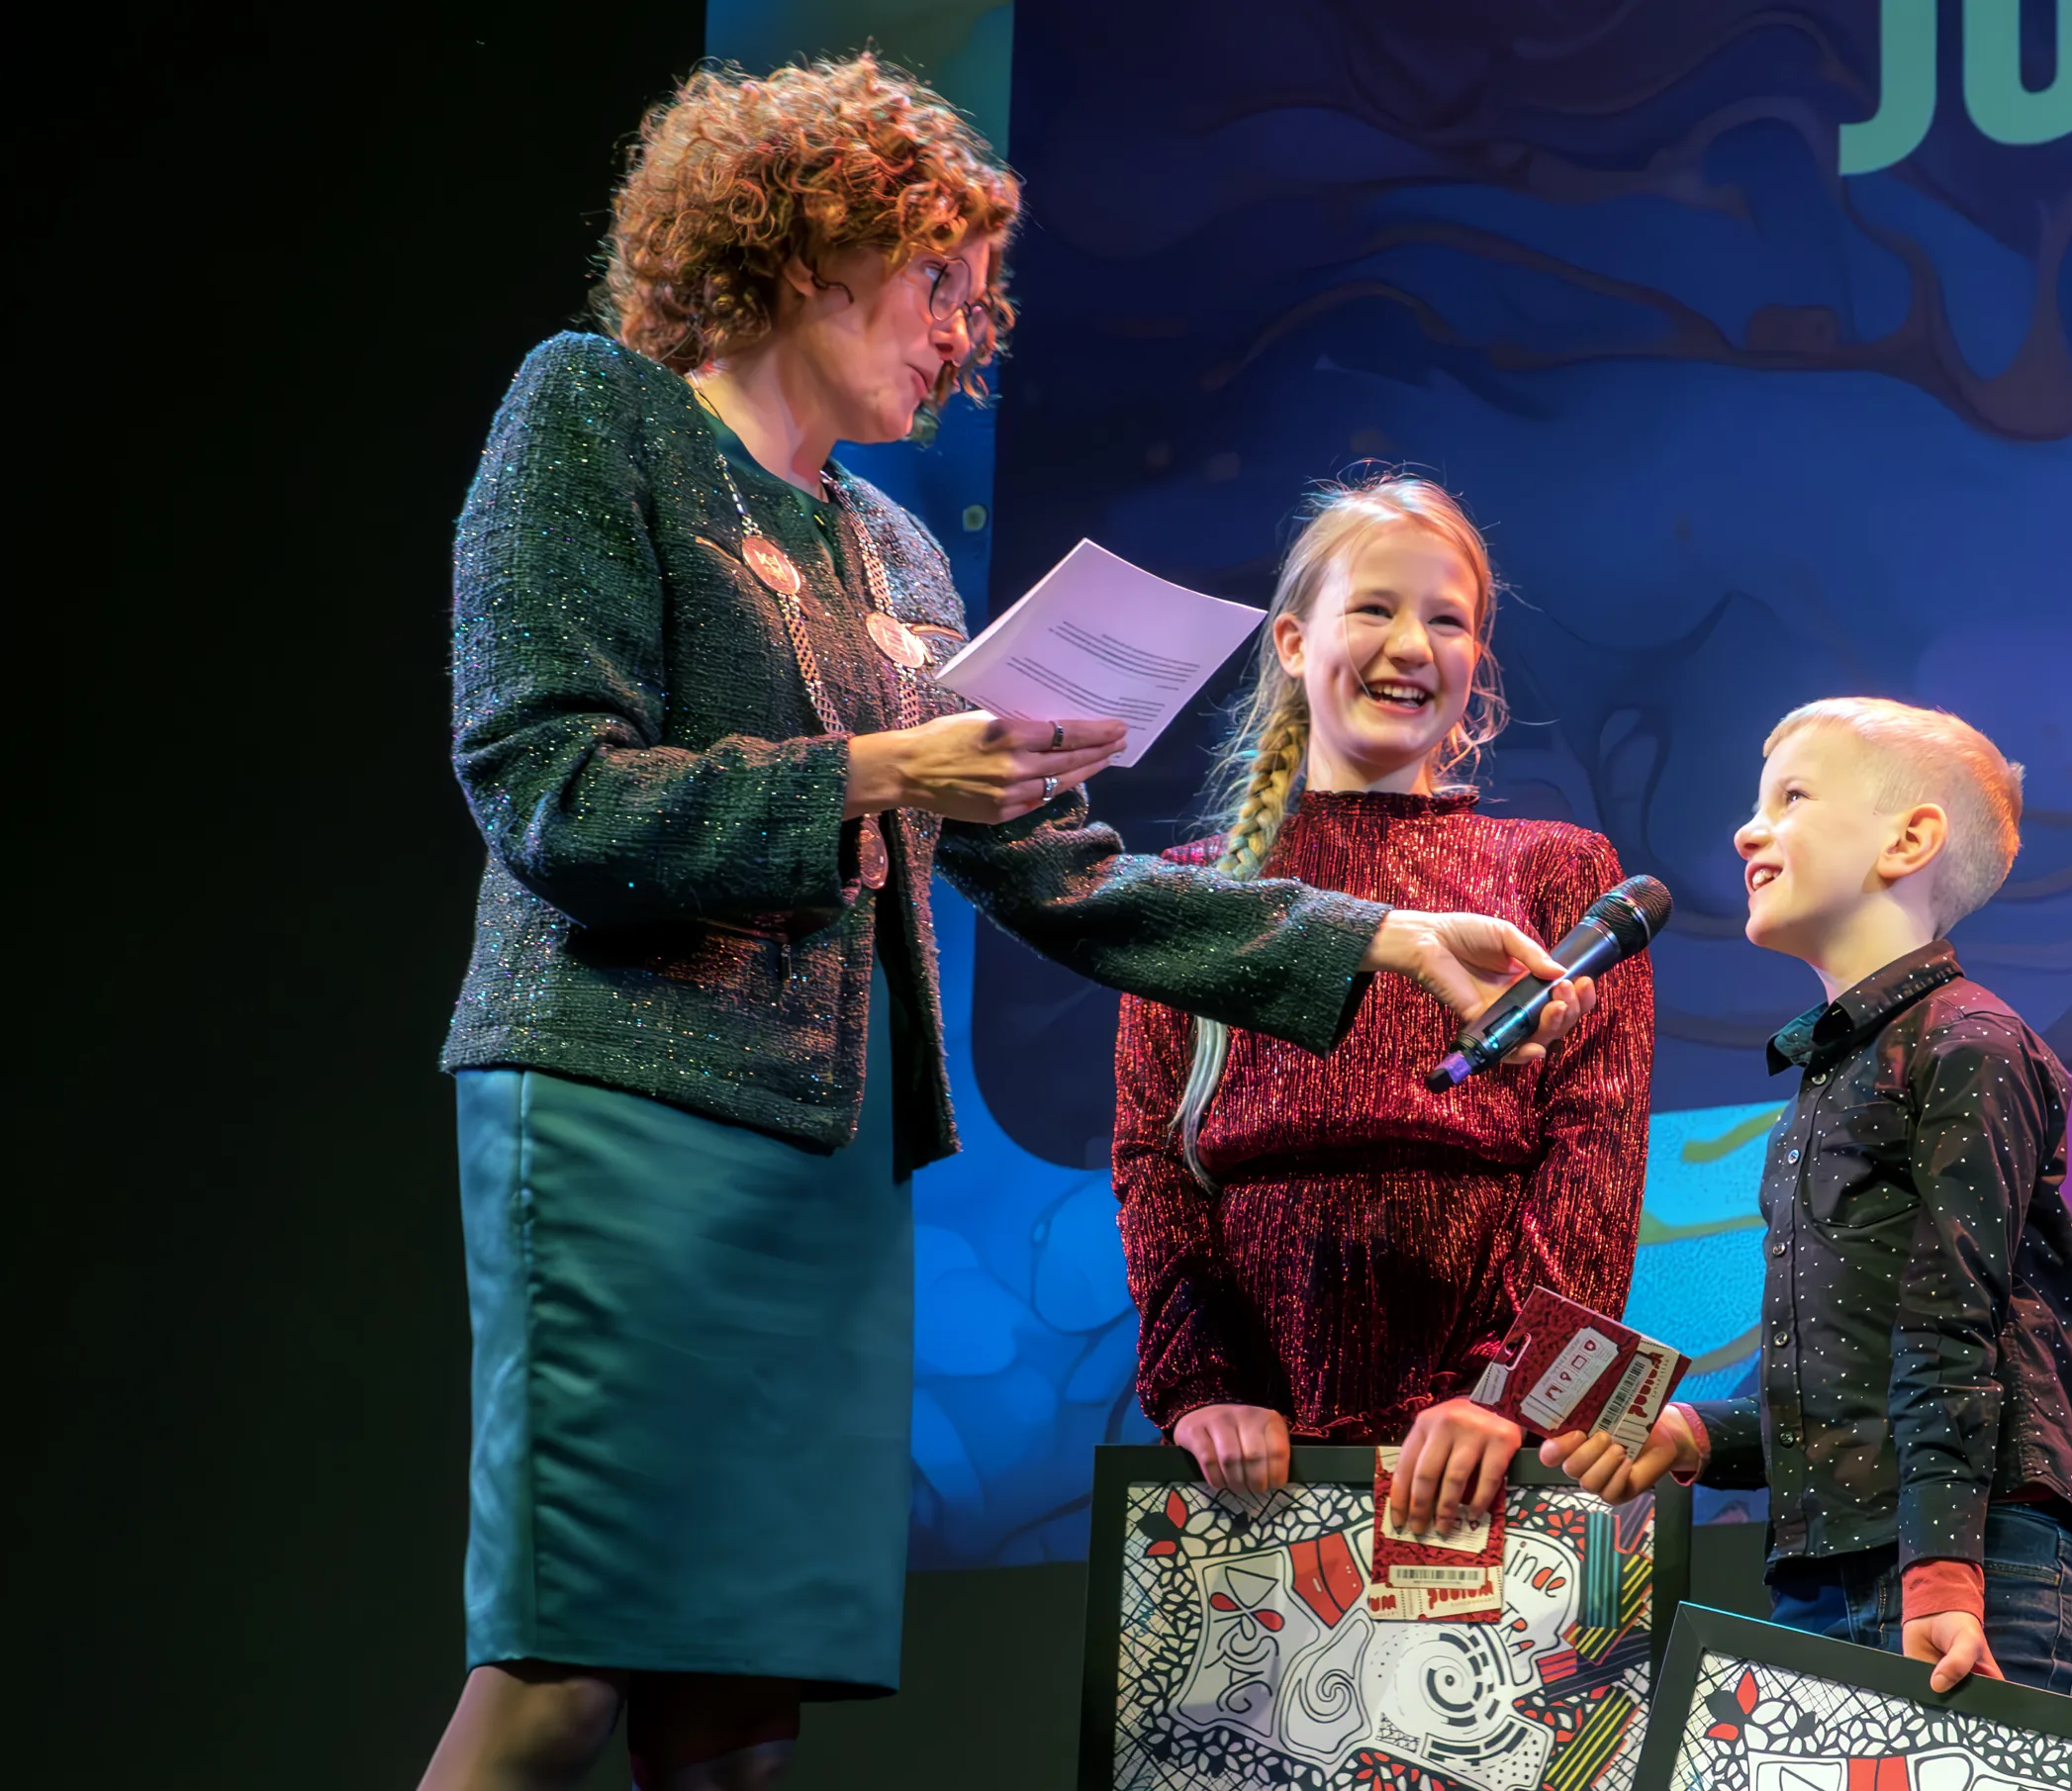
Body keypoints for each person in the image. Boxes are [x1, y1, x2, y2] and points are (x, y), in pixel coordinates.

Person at [422, 61, 1596, 1791]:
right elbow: (551, 790)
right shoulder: (599, 412)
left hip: (829, 1162)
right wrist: (884, 767)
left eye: (984, 300)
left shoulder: (895, 553)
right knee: (565, 1676)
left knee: (735, 1718)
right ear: (807, 244)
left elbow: (1058, 873)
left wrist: (1382, 943)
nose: (966, 333)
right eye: (939, 281)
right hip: (629, 1117)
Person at [1112, 474, 1655, 1540]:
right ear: (1290, 642)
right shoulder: (1194, 895)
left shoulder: (1557, 871)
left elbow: (1596, 1159)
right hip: (1254, 1450)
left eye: (1446, 621)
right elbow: (1151, 1160)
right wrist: (1205, 1384)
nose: (1411, 645)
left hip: (1491, 1446)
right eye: (1374, 608)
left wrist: (1509, 1391)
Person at [1548, 697, 2072, 1697]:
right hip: (1832, 1564)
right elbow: (1844, 1373)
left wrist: (1941, 1571)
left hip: (1960, 1561)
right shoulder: (1831, 1075)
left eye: (1791, 798)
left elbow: (1952, 1320)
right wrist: (1693, 1433)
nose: (1746, 830)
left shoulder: (1967, 1042)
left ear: (1908, 840)